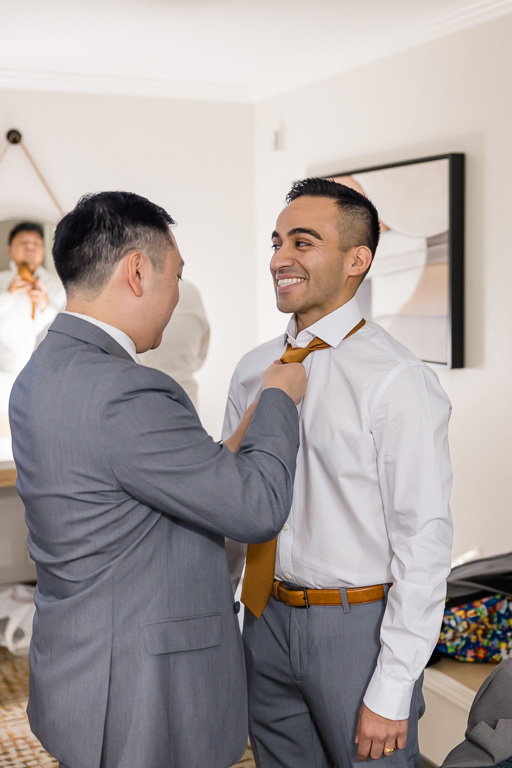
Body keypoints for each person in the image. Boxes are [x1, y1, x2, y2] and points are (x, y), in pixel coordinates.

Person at [9, 191, 307, 768]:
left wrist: (239, 435)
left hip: (82, 665)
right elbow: (256, 507)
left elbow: (149, 476)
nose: (176, 297)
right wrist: (277, 399)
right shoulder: (131, 390)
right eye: (177, 276)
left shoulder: (43, 370)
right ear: (138, 271)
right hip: (142, 687)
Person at [223, 178, 453, 768]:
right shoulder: (253, 371)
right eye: (276, 242)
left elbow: (423, 541)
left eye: (302, 242)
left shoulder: (397, 380)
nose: (279, 259)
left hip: (358, 631)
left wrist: (393, 686)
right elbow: (233, 500)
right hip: (263, 616)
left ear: (358, 260)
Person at [0, 221, 65, 373]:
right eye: (23, 242)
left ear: (43, 250)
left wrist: (45, 307)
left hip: (45, 369)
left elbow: (62, 330)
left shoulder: (58, 286)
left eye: (36, 242)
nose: (30, 246)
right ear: (9, 250)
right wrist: (8, 296)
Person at [140, 278, 210, 408]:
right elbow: (201, 355)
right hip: (187, 403)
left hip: (141, 405)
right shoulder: (190, 291)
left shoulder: (133, 294)